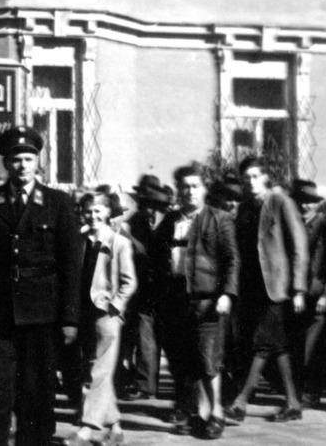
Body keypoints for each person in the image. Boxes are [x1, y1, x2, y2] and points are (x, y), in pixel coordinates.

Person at [0, 125, 83, 446]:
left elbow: (71, 267)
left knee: (39, 394)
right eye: (16, 159)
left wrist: (71, 318)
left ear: (38, 162)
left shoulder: (58, 203)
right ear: (6, 163)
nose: (23, 165)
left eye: (29, 158)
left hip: (42, 317)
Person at [152, 165, 237, 440]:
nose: (189, 191)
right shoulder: (169, 220)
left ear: (204, 189)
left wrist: (227, 293)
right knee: (188, 362)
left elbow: (232, 259)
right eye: (185, 186)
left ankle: (217, 415)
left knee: (209, 360)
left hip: (208, 300)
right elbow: (157, 256)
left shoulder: (219, 219)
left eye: (195, 185)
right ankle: (199, 412)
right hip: (176, 301)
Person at [225, 157, 308, 423]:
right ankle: (293, 403)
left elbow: (299, 245)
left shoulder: (280, 201)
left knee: (262, 343)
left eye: (254, 176)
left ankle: (240, 402)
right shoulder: (246, 208)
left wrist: (298, 288)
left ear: (265, 177)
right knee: (276, 345)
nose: (250, 182)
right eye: (245, 178)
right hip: (253, 289)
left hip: (277, 287)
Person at [67, 192, 136, 446]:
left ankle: (86, 429)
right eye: (88, 212)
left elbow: (129, 282)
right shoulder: (80, 241)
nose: (93, 216)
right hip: (83, 313)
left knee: (98, 371)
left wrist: (115, 308)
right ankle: (115, 428)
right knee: (95, 369)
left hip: (106, 315)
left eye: (98, 211)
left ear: (107, 213)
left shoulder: (119, 243)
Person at [117, 174, 172, 401]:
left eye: (154, 205)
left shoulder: (168, 221)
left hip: (165, 287)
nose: (149, 209)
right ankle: (145, 384)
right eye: (146, 204)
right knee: (144, 335)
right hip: (144, 288)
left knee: (163, 338)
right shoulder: (137, 220)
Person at [291, 179, 326, 408]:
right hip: (296, 295)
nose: (304, 206)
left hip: (318, 296)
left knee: (313, 348)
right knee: (296, 345)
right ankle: (299, 390)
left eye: (309, 202)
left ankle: (310, 392)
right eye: (300, 202)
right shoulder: (293, 225)